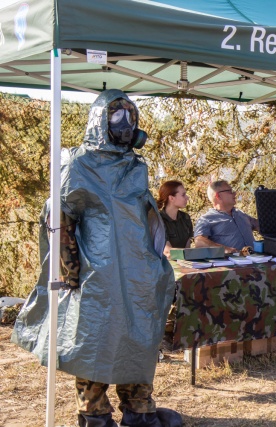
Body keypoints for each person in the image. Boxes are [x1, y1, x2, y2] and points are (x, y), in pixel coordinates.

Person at [11, 90, 182, 426]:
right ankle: (95, 415)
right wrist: (71, 271)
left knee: (138, 336)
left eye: (130, 117)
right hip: (97, 273)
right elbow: (60, 218)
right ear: (99, 121)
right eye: (117, 117)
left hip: (138, 271)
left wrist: (153, 264)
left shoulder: (135, 166)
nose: (125, 125)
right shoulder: (79, 165)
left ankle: (139, 410)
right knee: (96, 341)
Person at [194, 180, 260, 254]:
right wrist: (225, 249)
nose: (234, 193)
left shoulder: (241, 214)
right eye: (230, 191)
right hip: (230, 260)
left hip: (255, 259)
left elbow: (261, 226)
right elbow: (199, 242)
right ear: (218, 196)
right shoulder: (206, 219)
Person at [157, 180, 193, 259]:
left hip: (184, 263)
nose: (187, 198)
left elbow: (188, 248)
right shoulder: (158, 220)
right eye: (183, 195)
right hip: (165, 265)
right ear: (171, 198)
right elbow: (168, 252)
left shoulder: (185, 218)